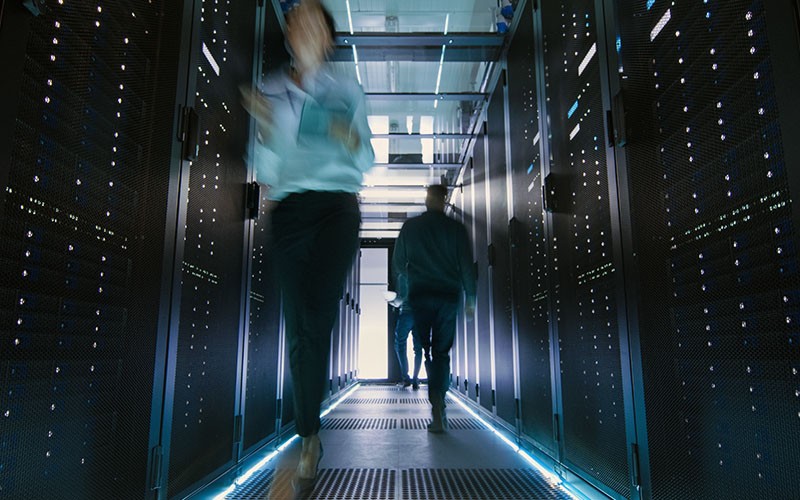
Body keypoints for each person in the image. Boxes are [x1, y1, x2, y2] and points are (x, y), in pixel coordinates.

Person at [241, 0, 374, 494]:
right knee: (300, 323)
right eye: (296, 20)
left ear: (329, 37)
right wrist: (268, 128)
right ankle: (310, 433)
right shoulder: (272, 88)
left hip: (338, 208)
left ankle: (308, 436)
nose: (302, 26)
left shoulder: (347, 88)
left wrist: (349, 137)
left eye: (314, 21)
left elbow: (368, 160)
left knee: (316, 317)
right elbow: (268, 168)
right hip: (291, 211)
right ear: (289, 32)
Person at [392, 185, 476, 433]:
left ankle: (435, 400)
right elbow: (466, 267)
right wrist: (470, 297)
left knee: (426, 349)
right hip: (448, 296)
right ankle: (439, 399)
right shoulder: (456, 229)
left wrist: (413, 276)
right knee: (442, 351)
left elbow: (398, 263)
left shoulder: (411, 228)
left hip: (420, 295)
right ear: (445, 200)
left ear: (426, 200)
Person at [390, 274, 422, 390]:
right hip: (421, 314)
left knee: (400, 344)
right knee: (418, 348)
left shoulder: (403, 276)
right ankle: (415, 379)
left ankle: (406, 378)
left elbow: (401, 299)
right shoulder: (423, 273)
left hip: (407, 313)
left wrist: (392, 302)